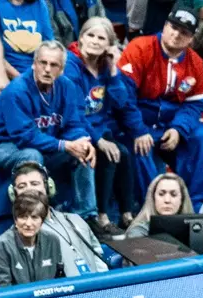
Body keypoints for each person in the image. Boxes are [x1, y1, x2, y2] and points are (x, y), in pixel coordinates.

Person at [0, 41, 96, 217]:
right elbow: (25, 137)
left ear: (62, 69)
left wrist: (81, 141)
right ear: (34, 64)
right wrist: (64, 145)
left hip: (38, 142)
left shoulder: (67, 87)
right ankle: (34, 215)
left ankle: (86, 215)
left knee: (83, 152)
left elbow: (73, 124)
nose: (47, 69)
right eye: (43, 63)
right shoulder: (17, 90)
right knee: (32, 155)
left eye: (53, 65)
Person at [118, 12, 203, 201]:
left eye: (184, 33)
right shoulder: (140, 47)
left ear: (192, 38)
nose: (176, 35)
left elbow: (195, 103)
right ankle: (152, 207)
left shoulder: (195, 62)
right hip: (141, 117)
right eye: (174, 28)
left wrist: (179, 129)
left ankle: (194, 203)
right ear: (165, 26)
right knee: (140, 145)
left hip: (172, 119)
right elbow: (124, 97)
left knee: (201, 135)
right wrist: (138, 130)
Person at [66, 17, 148, 232]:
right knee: (108, 154)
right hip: (75, 129)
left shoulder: (105, 67)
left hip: (101, 128)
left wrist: (113, 72)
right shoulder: (70, 65)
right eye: (90, 35)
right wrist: (98, 141)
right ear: (81, 37)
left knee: (125, 153)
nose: (94, 41)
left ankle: (127, 214)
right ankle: (101, 216)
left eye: (101, 37)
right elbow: (73, 113)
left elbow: (122, 101)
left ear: (109, 44)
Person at [10, 161, 107, 274]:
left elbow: (98, 256)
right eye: (22, 186)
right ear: (14, 194)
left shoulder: (75, 220)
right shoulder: (19, 235)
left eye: (34, 183)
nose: (29, 190)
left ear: (48, 187)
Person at [0, 190, 64, 281]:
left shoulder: (52, 241)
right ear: (15, 220)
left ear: (42, 221)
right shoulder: (0, 246)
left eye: (34, 217)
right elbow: (2, 290)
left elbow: (59, 281)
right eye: (23, 217)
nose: (28, 223)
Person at [123, 169, 193, 236]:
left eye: (173, 194)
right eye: (161, 194)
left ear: (182, 199)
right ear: (153, 198)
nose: (167, 200)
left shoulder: (193, 230)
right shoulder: (138, 232)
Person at [0, 0, 50, 76]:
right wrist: (21, 80)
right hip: (11, 71)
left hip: (41, 69)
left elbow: (49, 44)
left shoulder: (39, 4)